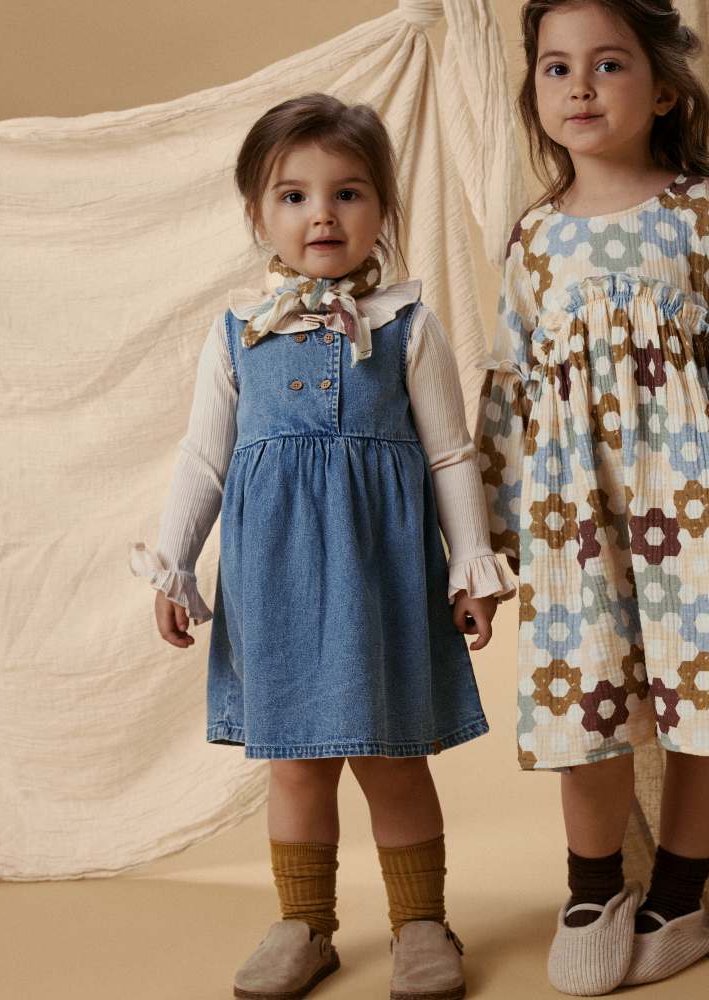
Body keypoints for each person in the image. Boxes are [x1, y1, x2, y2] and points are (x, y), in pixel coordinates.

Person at [475, 1, 709, 993]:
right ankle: (593, 890)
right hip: (577, 521)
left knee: (701, 698)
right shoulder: (533, 240)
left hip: (695, 508)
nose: (580, 86)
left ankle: (679, 898)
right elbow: (509, 386)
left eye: (608, 64)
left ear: (665, 91)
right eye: (556, 68)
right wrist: (488, 541)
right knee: (585, 699)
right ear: (534, 91)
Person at [130, 92, 513, 1000]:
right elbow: (203, 458)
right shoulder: (236, 335)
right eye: (293, 196)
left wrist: (471, 567)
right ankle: (304, 924)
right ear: (258, 213)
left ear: (382, 208)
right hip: (275, 581)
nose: (322, 215)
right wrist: (174, 566)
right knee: (296, 764)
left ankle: (421, 924)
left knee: (392, 758)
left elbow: (450, 454)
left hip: (383, 577)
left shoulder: (409, 326)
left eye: (348, 193)